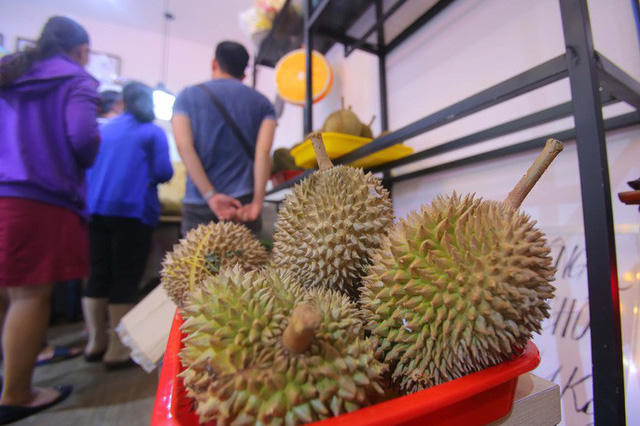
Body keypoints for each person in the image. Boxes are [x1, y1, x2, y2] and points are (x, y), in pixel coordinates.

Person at [0, 16, 99, 423]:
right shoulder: (75, 79)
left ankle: (19, 366)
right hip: (37, 195)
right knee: (29, 295)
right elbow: (83, 138)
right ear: (81, 50)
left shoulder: (10, 74)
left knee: (6, 290)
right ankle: (17, 393)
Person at [84, 81, 173, 369]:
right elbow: (164, 171)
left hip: (95, 209)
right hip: (131, 211)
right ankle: (118, 350)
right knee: (125, 277)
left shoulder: (104, 128)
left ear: (123, 102)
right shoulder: (151, 132)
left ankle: (95, 342)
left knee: (98, 273)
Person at [172, 40, 276, 236]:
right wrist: (257, 202)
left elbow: (183, 145)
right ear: (244, 73)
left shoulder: (186, 96)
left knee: (195, 256)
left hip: (199, 202)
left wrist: (211, 195)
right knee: (246, 257)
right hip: (242, 206)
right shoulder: (263, 104)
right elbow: (263, 152)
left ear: (214, 64)